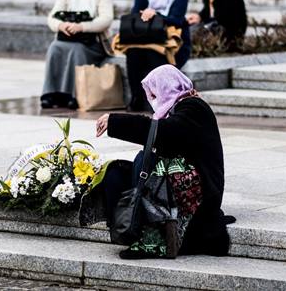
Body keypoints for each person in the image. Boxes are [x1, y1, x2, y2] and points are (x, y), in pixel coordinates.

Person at [96, 65, 230, 258]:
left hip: (200, 190)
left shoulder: (194, 107)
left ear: (168, 88)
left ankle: (152, 238)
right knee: (114, 174)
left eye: (155, 95)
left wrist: (115, 121)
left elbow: (166, 132)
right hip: (177, 181)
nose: (153, 101)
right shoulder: (178, 107)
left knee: (144, 161)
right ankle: (127, 229)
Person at [40, 0, 114, 109]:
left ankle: (74, 94)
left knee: (76, 50)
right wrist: (61, 25)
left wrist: (82, 26)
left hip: (93, 42)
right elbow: (52, 17)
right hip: (68, 38)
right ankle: (51, 93)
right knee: (55, 47)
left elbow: (106, 18)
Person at [122, 0, 190, 112]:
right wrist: (146, 14)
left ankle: (163, 101)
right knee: (133, 53)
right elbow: (135, 13)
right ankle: (137, 98)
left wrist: (156, 14)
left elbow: (177, 19)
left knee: (155, 54)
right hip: (145, 36)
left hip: (171, 39)